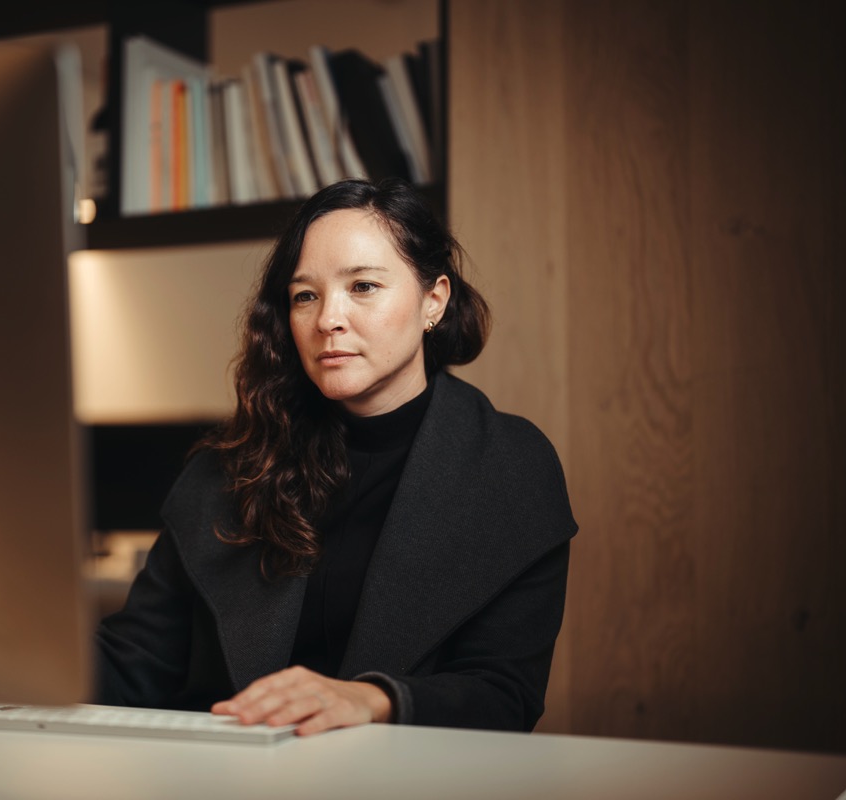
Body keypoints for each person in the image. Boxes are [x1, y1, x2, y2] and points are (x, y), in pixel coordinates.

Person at [94, 178, 577, 736]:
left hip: (409, 774)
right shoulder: (230, 464)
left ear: (434, 301)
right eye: (306, 295)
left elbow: (504, 696)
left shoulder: (511, 467)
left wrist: (371, 699)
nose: (328, 319)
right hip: (224, 769)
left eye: (363, 286)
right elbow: (134, 662)